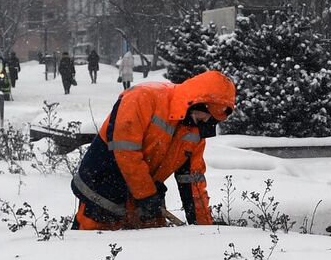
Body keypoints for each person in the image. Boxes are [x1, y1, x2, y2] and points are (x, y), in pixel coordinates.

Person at [71, 71, 236, 230]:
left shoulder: (194, 131)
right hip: (103, 192)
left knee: (152, 251)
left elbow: (193, 181)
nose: (206, 121)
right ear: (197, 101)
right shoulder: (143, 98)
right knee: (95, 250)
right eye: (206, 115)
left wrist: (204, 227)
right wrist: (146, 195)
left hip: (146, 197)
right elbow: (125, 153)